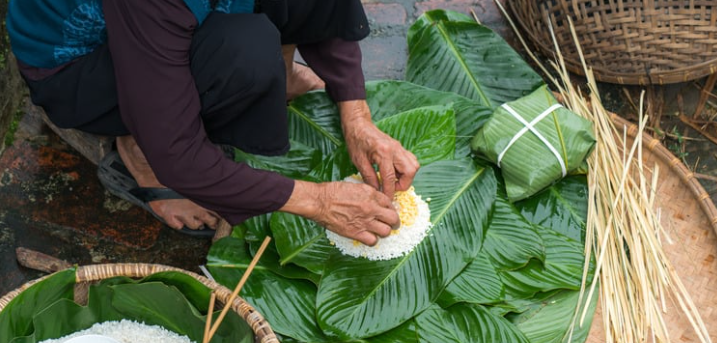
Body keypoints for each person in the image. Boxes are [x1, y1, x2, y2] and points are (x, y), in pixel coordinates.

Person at [6, 0, 420, 243]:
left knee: (264, 44)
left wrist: (357, 117)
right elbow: (181, 154)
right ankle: (137, 144)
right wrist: (320, 202)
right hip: (80, 65)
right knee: (246, 53)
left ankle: (270, 71)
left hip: (159, 25)